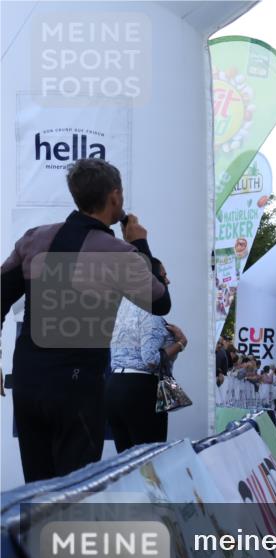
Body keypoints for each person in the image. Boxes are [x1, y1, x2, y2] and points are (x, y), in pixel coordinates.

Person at [0, 158, 170, 482]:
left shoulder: (34, 238)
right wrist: (139, 243)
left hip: (28, 384)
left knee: (37, 490)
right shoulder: (120, 253)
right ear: (115, 197)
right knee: (75, 492)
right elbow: (160, 302)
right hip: (77, 391)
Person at [105, 261, 186, 453]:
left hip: (114, 387)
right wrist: (181, 343)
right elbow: (150, 359)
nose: (168, 281)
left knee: (126, 461)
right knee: (149, 459)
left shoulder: (124, 307)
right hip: (140, 390)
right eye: (164, 276)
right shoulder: (151, 310)